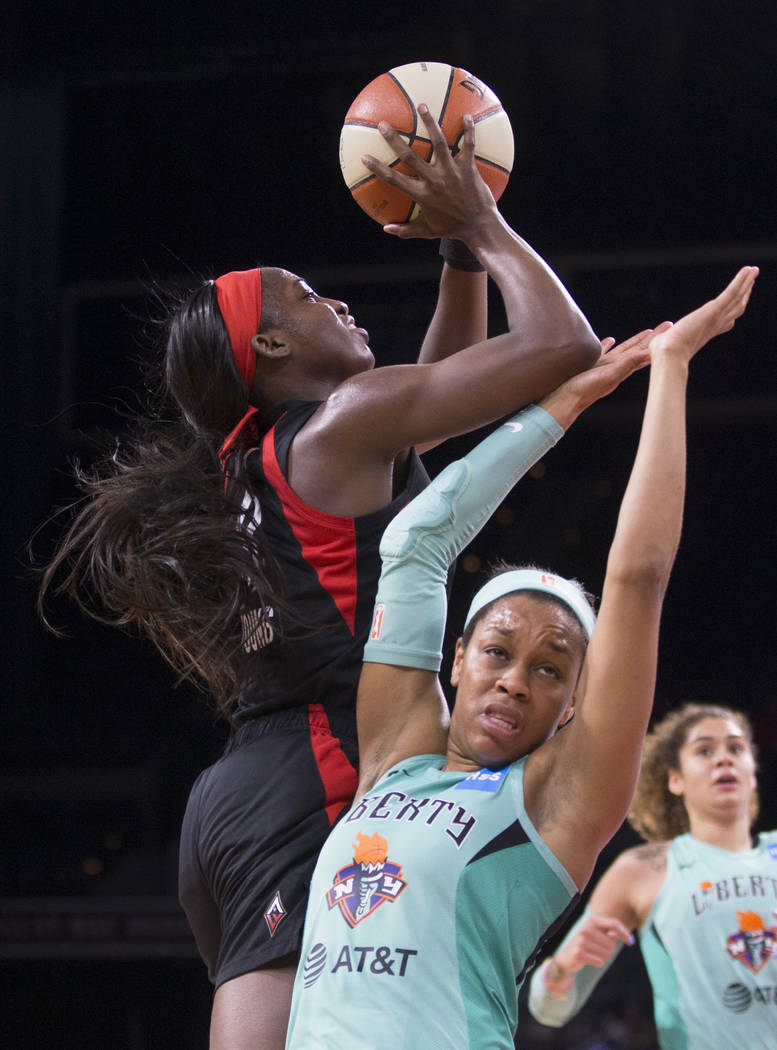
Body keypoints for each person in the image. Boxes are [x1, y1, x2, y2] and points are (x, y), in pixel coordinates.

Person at [38, 107, 603, 1049]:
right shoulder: (342, 422)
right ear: (267, 349)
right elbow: (563, 345)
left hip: (252, 777)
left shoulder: (286, 450)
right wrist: (483, 225)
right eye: (304, 298)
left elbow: (440, 393)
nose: (334, 303)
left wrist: (457, 259)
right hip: (319, 764)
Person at [284, 267, 758, 1050]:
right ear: (458, 657)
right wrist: (565, 401)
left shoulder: (556, 801)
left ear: (573, 701)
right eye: (498, 651)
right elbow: (413, 542)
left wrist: (669, 368)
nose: (513, 678)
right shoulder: (397, 755)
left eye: (549, 668)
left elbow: (636, 580)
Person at [527, 701, 776, 1049]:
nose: (724, 758)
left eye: (736, 748)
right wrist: (562, 971)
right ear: (675, 779)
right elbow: (548, 1011)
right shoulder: (643, 870)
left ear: (752, 770)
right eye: (704, 750)